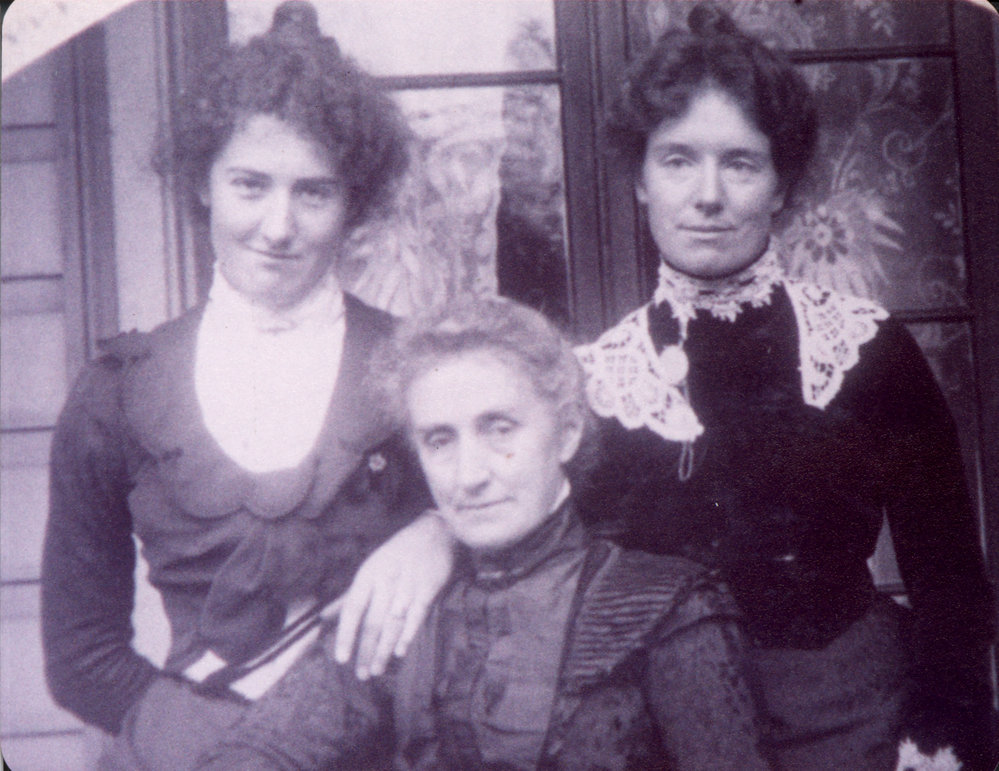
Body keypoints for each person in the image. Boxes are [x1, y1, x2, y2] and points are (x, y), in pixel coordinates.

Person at [574, 6, 995, 770]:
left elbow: (947, 572)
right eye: (676, 160)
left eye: (739, 163)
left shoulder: (865, 347)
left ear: (779, 184)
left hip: (860, 718)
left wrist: (939, 730)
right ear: (638, 179)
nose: (707, 195)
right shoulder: (597, 380)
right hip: (669, 739)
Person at [40, 3, 454, 767]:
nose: (278, 225)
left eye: (314, 192)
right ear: (204, 182)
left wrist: (443, 534)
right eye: (250, 184)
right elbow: (80, 653)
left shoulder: (421, 365)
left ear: (352, 202)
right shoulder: (116, 393)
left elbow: (518, 543)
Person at [197, 295, 773, 770]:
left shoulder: (669, 605)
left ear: (567, 433)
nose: (468, 476)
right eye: (439, 440)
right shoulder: (406, 604)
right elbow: (259, 751)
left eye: (499, 428)